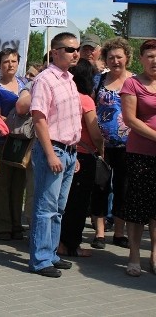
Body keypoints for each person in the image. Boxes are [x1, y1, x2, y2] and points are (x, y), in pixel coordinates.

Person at [28, 32, 81, 277]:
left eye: (76, 49)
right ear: (56, 51)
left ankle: (51, 253)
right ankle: (40, 260)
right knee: (46, 207)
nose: (75, 53)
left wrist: (74, 154)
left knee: (59, 208)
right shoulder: (45, 79)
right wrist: (50, 154)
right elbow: (39, 119)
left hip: (69, 151)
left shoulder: (70, 79)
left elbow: (70, 121)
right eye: (70, 49)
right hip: (54, 149)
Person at [57, 59, 103, 258]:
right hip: (83, 156)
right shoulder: (85, 100)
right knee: (78, 204)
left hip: (63, 152)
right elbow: (94, 133)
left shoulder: (63, 97)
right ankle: (71, 245)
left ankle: (57, 241)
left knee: (62, 202)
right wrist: (101, 149)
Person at [91, 38, 133, 250]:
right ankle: (99, 233)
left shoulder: (135, 81)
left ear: (127, 57)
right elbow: (89, 107)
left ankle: (119, 232)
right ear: (106, 59)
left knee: (123, 188)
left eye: (119, 57)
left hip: (130, 145)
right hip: (102, 145)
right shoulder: (98, 80)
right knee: (100, 186)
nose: (115, 61)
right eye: (111, 57)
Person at [119, 39, 156, 277]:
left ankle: (154, 252)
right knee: (138, 206)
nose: (155, 61)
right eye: (150, 56)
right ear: (141, 59)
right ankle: (134, 254)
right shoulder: (132, 84)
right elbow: (130, 120)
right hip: (141, 153)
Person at [0, 48, 28, 241]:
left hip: (23, 141)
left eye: (13, 61)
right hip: (3, 141)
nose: (10, 65)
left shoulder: (25, 84)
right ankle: (3, 226)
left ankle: (17, 224)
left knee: (19, 185)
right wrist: (17, 122)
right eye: (6, 62)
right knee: (2, 185)